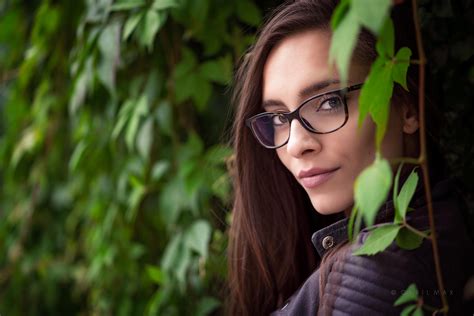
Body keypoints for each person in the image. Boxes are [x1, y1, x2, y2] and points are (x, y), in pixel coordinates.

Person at [227, 0, 474, 315]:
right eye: (278, 118)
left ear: (407, 108)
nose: (295, 145)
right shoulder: (439, 226)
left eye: (329, 102)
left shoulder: (379, 267)